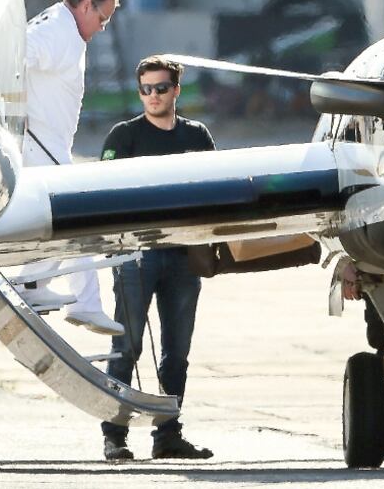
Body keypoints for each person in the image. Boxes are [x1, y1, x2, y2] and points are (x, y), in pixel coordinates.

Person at [99, 55, 216, 461]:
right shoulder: (124, 136)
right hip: (137, 255)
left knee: (177, 353)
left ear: (176, 90)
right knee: (127, 346)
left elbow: (215, 190)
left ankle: (168, 434)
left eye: (161, 88)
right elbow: (102, 188)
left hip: (184, 256)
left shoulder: (197, 135)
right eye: (145, 89)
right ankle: (115, 433)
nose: (153, 96)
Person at [16, 0, 125, 336]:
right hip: (40, 142)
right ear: (85, 6)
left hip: (49, 142)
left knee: (67, 224)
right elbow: (14, 55)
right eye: (102, 18)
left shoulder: (63, 27)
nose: (102, 27)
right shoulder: (58, 31)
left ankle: (38, 287)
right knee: (78, 220)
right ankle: (80, 302)